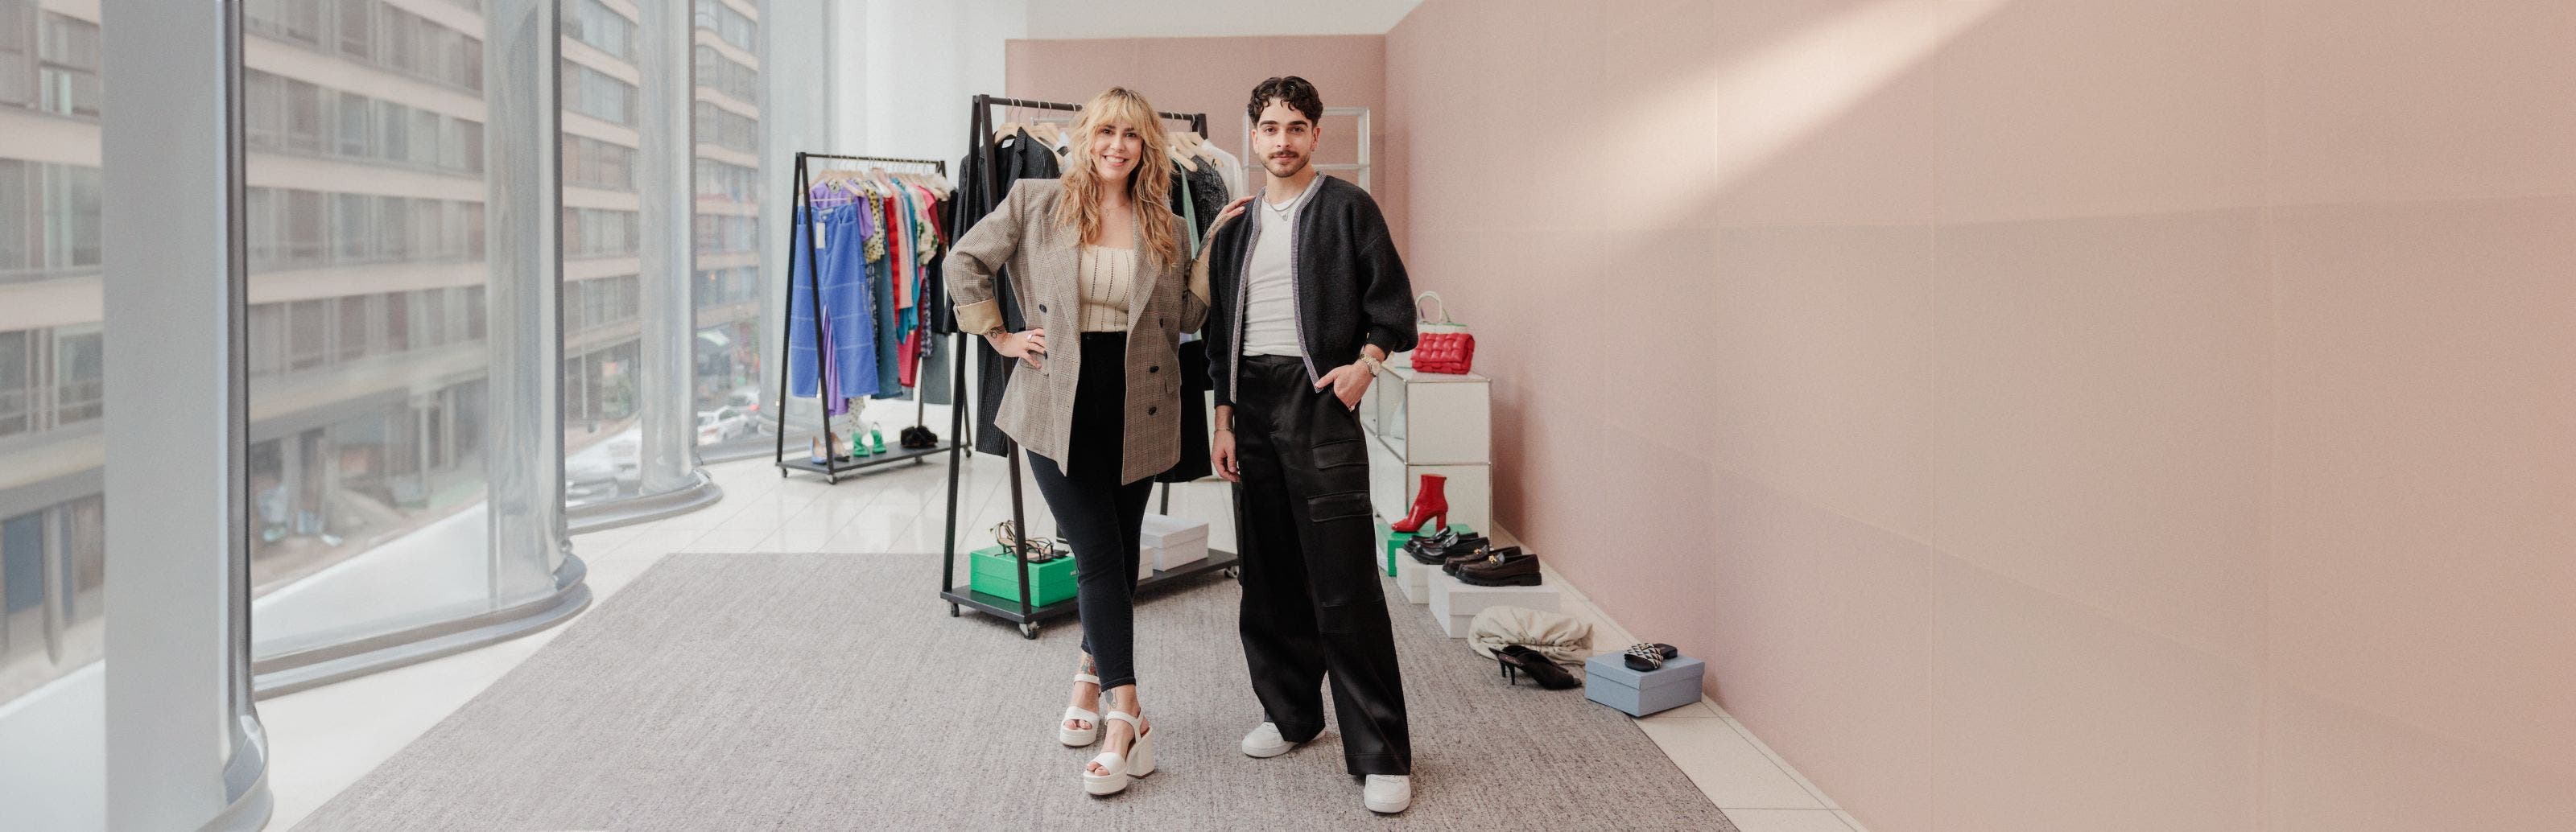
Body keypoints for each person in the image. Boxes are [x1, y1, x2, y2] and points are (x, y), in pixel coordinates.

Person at [945, 87, 1220, 797]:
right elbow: (962, 262)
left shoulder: (1165, 219)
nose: (1116, 147)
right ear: (1085, 137)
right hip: (1053, 399)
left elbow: (1184, 316)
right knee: (1096, 552)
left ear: (1147, 147)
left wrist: (1214, 248)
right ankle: (1128, 715)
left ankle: (1089, 675)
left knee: (1121, 554)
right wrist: (1000, 335)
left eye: (1131, 136)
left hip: (1139, 402)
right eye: (1106, 132)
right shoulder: (1038, 200)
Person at [1199, 76, 1422, 814]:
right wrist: (1224, 419)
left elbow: (1393, 306)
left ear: (1317, 135)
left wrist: (1367, 365)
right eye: (1269, 127)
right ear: (1253, 136)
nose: (1283, 139)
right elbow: (1214, 331)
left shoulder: (1349, 208)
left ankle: (1381, 751)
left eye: (1297, 126)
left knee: (1343, 579)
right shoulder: (1234, 224)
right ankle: (1291, 714)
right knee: (1266, 574)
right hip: (1250, 407)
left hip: (1319, 398)